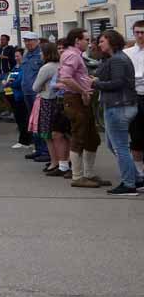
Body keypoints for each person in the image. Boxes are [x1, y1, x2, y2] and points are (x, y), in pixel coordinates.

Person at [87, 29, 139, 195]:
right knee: (113, 145)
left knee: (120, 147)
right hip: (118, 105)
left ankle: (129, 184)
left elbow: (118, 83)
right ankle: (137, 178)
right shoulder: (113, 58)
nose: (99, 44)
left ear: (111, 41)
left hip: (119, 106)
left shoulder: (117, 59)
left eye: (102, 41)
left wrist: (96, 83)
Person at [57, 28, 104, 188]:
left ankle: (88, 174)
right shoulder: (72, 55)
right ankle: (77, 177)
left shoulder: (75, 55)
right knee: (79, 136)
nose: (89, 43)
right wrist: (83, 91)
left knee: (92, 138)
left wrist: (86, 81)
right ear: (77, 41)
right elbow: (65, 78)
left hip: (80, 99)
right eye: (86, 40)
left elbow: (73, 76)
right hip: (75, 99)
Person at [33, 42, 69, 176]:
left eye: (41, 52)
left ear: (46, 53)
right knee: (62, 135)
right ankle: (64, 160)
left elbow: (35, 87)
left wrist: (43, 87)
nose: (40, 54)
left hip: (48, 101)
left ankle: (54, 161)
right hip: (60, 101)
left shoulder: (46, 68)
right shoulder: (61, 65)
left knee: (48, 134)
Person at [15, 33, 43, 155]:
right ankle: (37, 147)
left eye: (30, 40)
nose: (27, 43)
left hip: (36, 93)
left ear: (37, 41)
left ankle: (42, 149)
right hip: (26, 92)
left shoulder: (40, 55)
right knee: (32, 122)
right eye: (26, 41)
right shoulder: (26, 54)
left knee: (39, 121)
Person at [124, 20, 144, 185]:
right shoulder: (127, 53)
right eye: (137, 32)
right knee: (136, 136)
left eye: (143, 32)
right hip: (134, 97)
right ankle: (139, 173)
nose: (140, 35)